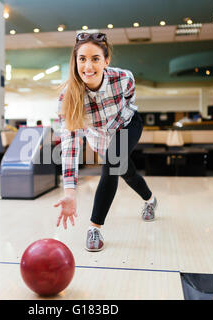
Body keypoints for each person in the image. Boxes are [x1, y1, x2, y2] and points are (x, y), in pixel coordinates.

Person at [53, 32, 157, 252]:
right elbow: (70, 145)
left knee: (112, 163)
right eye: (82, 59)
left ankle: (94, 228)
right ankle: (150, 200)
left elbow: (129, 102)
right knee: (126, 172)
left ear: (106, 60)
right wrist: (70, 192)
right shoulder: (68, 97)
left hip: (128, 125)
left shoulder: (124, 78)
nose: (88, 66)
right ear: (75, 61)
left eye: (95, 59)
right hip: (100, 139)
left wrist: (115, 132)